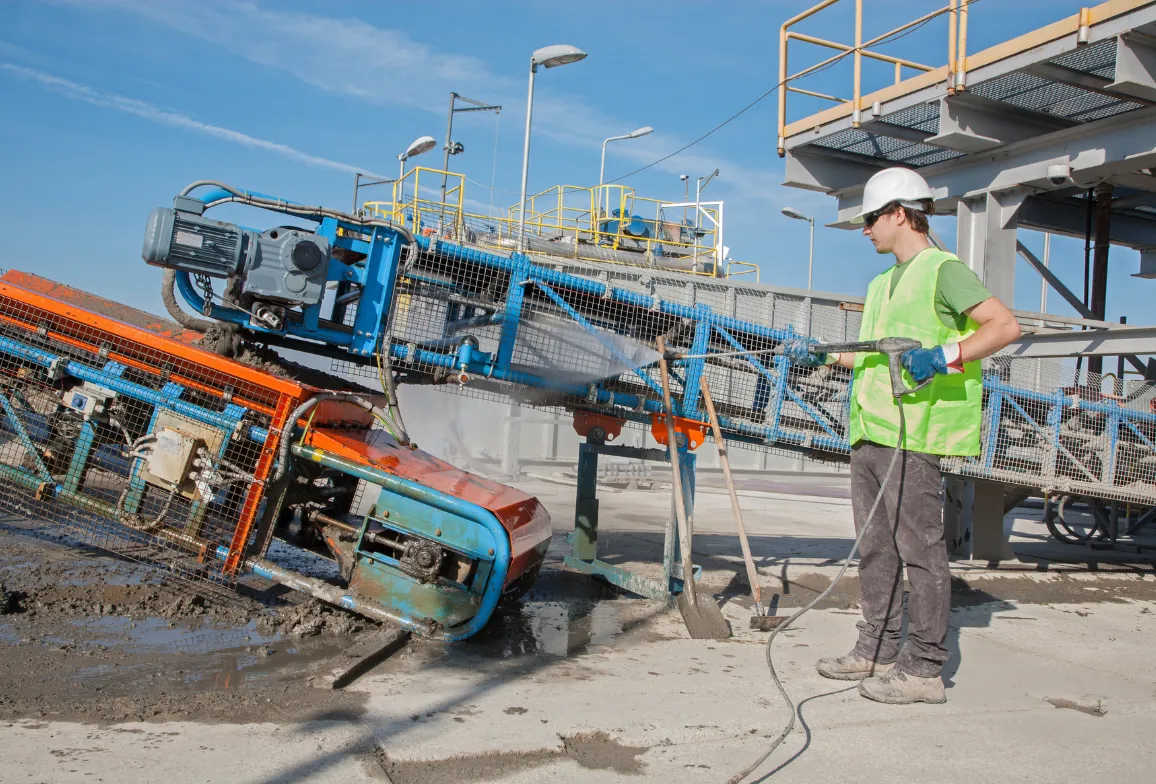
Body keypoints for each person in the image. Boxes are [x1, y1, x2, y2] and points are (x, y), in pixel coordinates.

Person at [783, 167, 1021, 705]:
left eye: (871, 218)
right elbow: (872, 355)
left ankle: (923, 672)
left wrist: (943, 356)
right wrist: (820, 354)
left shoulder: (943, 270)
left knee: (920, 549)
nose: (866, 229)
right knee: (875, 548)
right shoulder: (880, 284)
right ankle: (876, 648)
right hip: (870, 431)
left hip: (915, 434)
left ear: (898, 214)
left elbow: (1004, 326)